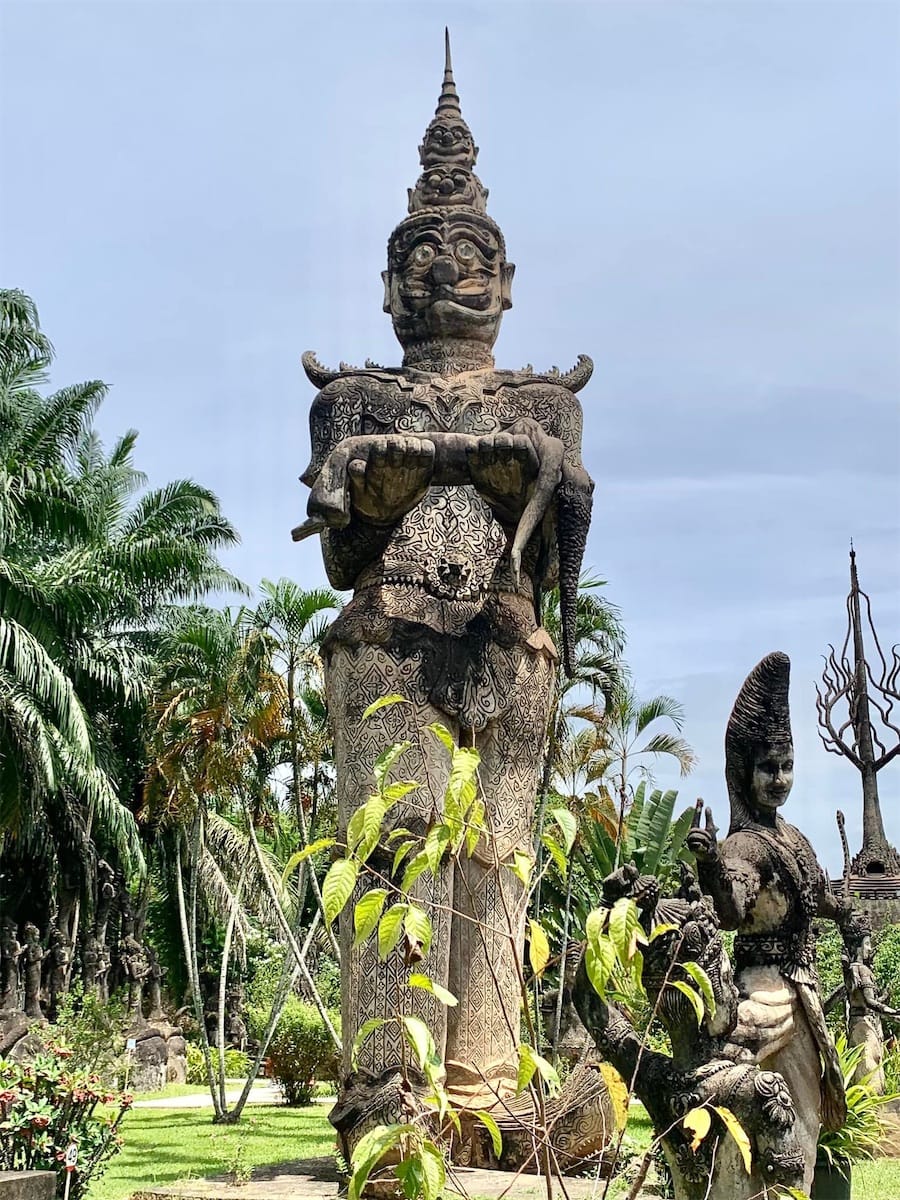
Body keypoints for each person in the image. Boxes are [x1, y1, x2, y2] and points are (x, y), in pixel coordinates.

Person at [299, 37, 593, 1140]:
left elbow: (564, 558)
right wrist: (402, 477)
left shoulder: (546, 407)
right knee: (398, 852)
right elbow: (338, 555)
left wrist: (529, 473)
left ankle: (486, 1091)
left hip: (508, 644)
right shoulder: (353, 403)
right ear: (390, 282)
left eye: (467, 253)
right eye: (426, 254)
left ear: (505, 281)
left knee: (499, 861)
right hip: (390, 640)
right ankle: (389, 1094)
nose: (445, 272)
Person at [686, 651, 847, 1193]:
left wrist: (848, 917)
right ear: (743, 772)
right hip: (756, 1001)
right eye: (768, 767)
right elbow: (732, 909)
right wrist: (710, 866)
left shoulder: (795, 838)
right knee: (735, 1132)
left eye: (787, 766)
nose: (779, 778)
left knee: (804, 1130)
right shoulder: (744, 847)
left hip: (802, 1001)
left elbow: (819, 896)